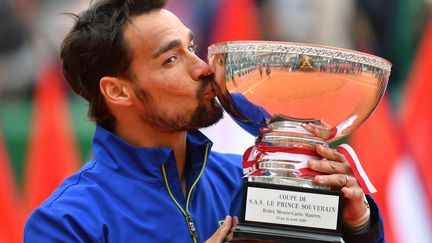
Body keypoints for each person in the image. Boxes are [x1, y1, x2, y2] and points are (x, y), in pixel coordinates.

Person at [24, 0, 384, 242]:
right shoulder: (66, 222)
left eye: (191, 48)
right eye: (170, 60)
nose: (203, 69)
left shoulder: (244, 179)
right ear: (118, 92)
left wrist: (357, 223)